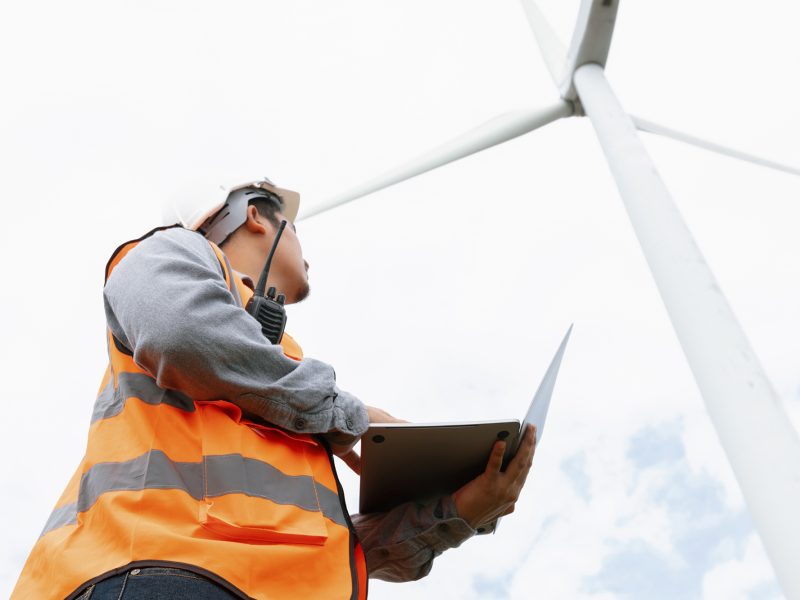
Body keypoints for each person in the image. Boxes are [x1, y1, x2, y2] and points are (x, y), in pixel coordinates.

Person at [12, 177, 536, 599]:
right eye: (296, 228)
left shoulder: (281, 374)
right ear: (256, 216)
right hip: (162, 574)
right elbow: (181, 332)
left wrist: (459, 512)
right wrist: (352, 417)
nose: (304, 248)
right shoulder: (171, 253)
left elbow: (328, 551)